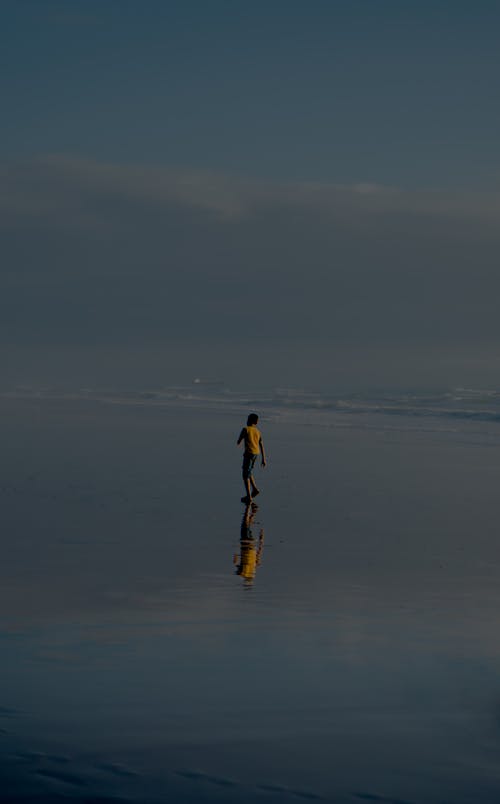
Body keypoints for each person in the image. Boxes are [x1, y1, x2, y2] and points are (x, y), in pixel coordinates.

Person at [237, 413, 266, 504]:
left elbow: (238, 441)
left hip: (249, 453)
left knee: (245, 475)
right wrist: (263, 459)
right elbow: (261, 445)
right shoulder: (258, 431)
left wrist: (240, 441)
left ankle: (249, 496)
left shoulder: (246, 429)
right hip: (256, 454)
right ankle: (255, 490)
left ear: (249, 420)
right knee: (249, 472)